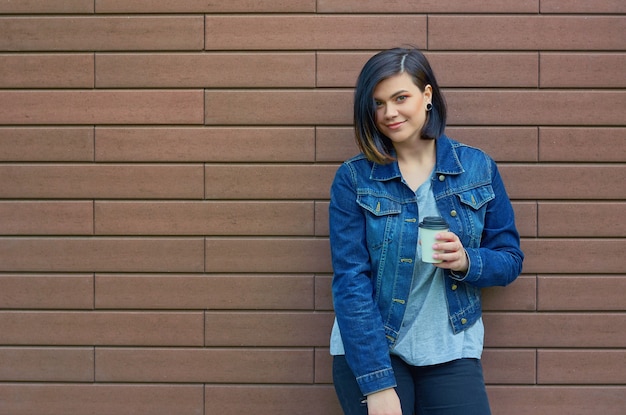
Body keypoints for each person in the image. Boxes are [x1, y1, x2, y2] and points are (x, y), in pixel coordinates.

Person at [328, 47, 524, 415]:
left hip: (450, 347)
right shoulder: (354, 178)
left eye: (401, 97)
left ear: (427, 95)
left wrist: (467, 261)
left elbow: (510, 259)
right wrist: (377, 382)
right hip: (375, 348)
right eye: (378, 103)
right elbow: (350, 280)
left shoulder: (477, 168)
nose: (389, 113)